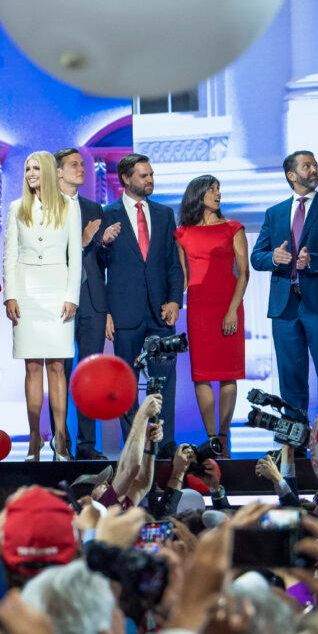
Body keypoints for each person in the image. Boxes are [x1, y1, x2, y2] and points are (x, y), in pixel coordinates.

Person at [97, 153, 183, 449]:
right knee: (126, 383)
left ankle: (164, 444)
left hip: (160, 312)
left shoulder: (163, 214)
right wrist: (105, 312)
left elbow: (173, 263)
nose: (150, 180)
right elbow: (98, 265)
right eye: (144, 176)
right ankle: (134, 444)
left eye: (151, 175)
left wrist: (175, 300)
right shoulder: (107, 214)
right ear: (126, 178)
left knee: (164, 380)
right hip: (124, 311)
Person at [250, 151, 318, 421]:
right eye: (307, 166)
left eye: (315, 165)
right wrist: (273, 258)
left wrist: (314, 260)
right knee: (290, 378)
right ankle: (295, 442)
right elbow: (257, 257)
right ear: (292, 176)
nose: (314, 169)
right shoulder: (275, 213)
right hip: (284, 307)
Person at [3, 151, 82, 461]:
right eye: (27, 168)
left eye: (36, 168)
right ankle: (35, 438)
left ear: (48, 171)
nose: (30, 173)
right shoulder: (15, 208)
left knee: (57, 366)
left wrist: (71, 296)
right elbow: (9, 255)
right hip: (25, 292)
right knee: (32, 366)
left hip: (57, 290)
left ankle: (60, 438)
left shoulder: (68, 207)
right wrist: (10, 294)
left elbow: (74, 256)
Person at [175, 175, 248, 457]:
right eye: (212, 189)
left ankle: (224, 434)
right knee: (202, 374)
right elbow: (182, 277)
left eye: (219, 189)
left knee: (228, 375)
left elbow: (244, 273)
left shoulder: (233, 228)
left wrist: (232, 309)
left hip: (228, 305)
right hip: (199, 308)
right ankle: (211, 438)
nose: (217, 194)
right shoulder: (182, 233)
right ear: (198, 194)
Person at [55, 149, 109, 460]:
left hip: (92, 299)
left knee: (90, 374)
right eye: (74, 165)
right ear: (59, 173)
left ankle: (87, 445)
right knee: (59, 371)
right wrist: (84, 239)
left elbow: (100, 261)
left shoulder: (92, 207)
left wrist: (104, 243)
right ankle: (59, 443)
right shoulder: (46, 208)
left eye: (82, 163)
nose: (81, 168)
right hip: (60, 299)